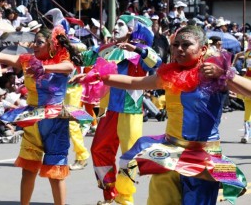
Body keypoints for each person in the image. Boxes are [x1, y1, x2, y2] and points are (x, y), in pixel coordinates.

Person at [100, 25, 248, 204]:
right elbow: (134, 82)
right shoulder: (170, 73)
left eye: (186, 45)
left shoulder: (214, 73)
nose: (179, 49)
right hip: (169, 152)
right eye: (176, 44)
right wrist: (100, 77)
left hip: (202, 157)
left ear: (203, 49)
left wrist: (226, 75)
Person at [0, 25, 91, 205]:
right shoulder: (28, 60)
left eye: (40, 42)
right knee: (28, 170)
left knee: (55, 174)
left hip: (55, 122)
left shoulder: (62, 60)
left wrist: (45, 68)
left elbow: (67, 67)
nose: (34, 45)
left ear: (52, 45)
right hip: (32, 120)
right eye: (34, 41)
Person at [76, 14, 162, 205]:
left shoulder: (141, 50)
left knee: (129, 156)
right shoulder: (106, 48)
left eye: (121, 24)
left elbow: (157, 62)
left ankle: (126, 199)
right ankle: (109, 194)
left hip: (130, 110)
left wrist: (136, 49)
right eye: (115, 24)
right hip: (107, 109)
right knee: (98, 149)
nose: (115, 27)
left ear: (132, 30)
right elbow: (82, 59)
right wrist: (67, 44)